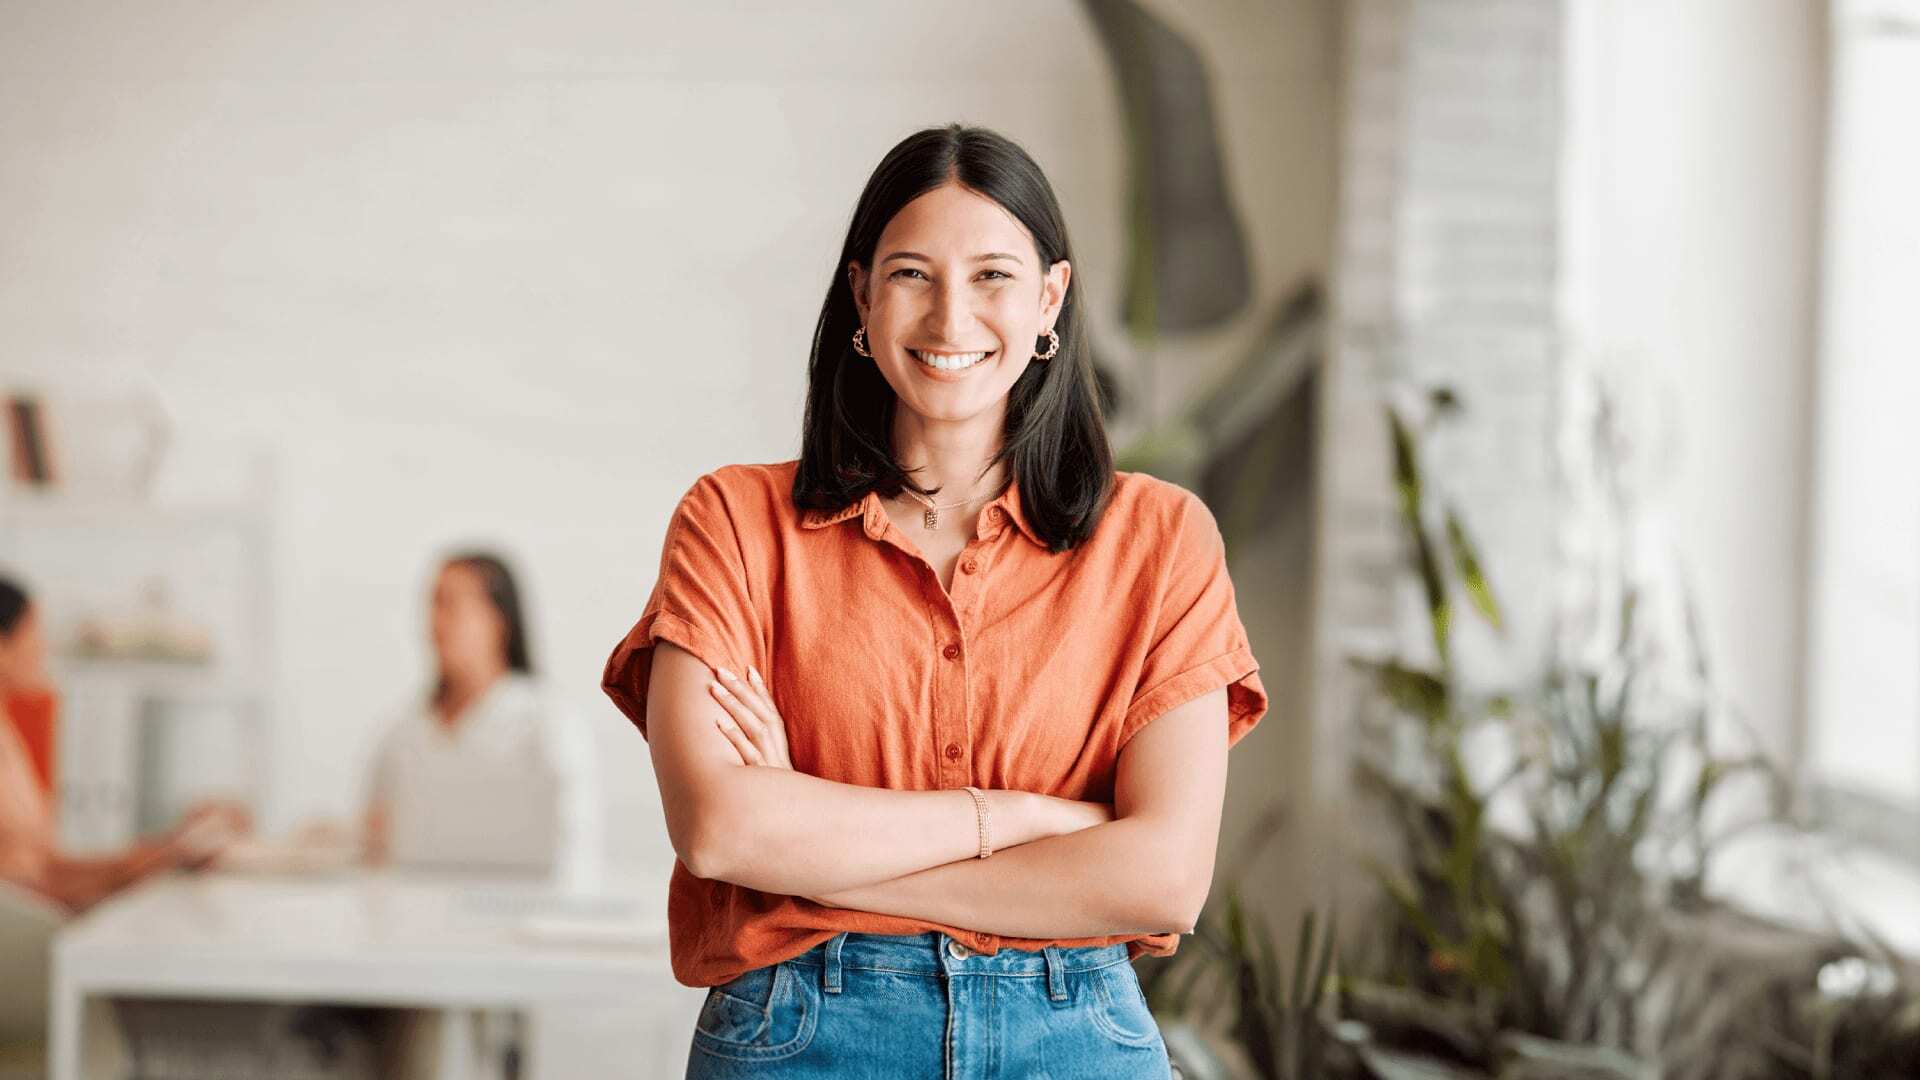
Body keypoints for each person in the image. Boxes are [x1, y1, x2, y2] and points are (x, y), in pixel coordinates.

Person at [602, 125, 1268, 1077]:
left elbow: (1163, 879)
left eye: (993, 275)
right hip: (803, 1034)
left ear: (1050, 298)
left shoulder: (1162, 539)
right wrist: (1023, 818)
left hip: (1074, 1039)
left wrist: (814, 853)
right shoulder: (735, 521)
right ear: (862, 296)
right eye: (913, 274)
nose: (951, 318)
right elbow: (722, 830)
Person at [0, 576, 244, 913]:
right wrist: (155, 860)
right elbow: (30, 885)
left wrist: (168, 850)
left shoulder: (8, 735)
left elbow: (48, 867)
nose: (44, 649)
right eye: (35, 634)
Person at [363, 552, 601, 890]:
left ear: (499, 620)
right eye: (432, 605)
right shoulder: (401, 733)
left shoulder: (550, 724)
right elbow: (374, 847)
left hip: (525, 914)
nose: (435, 623)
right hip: (407, 912)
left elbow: (574, 855)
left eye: (451, 604)